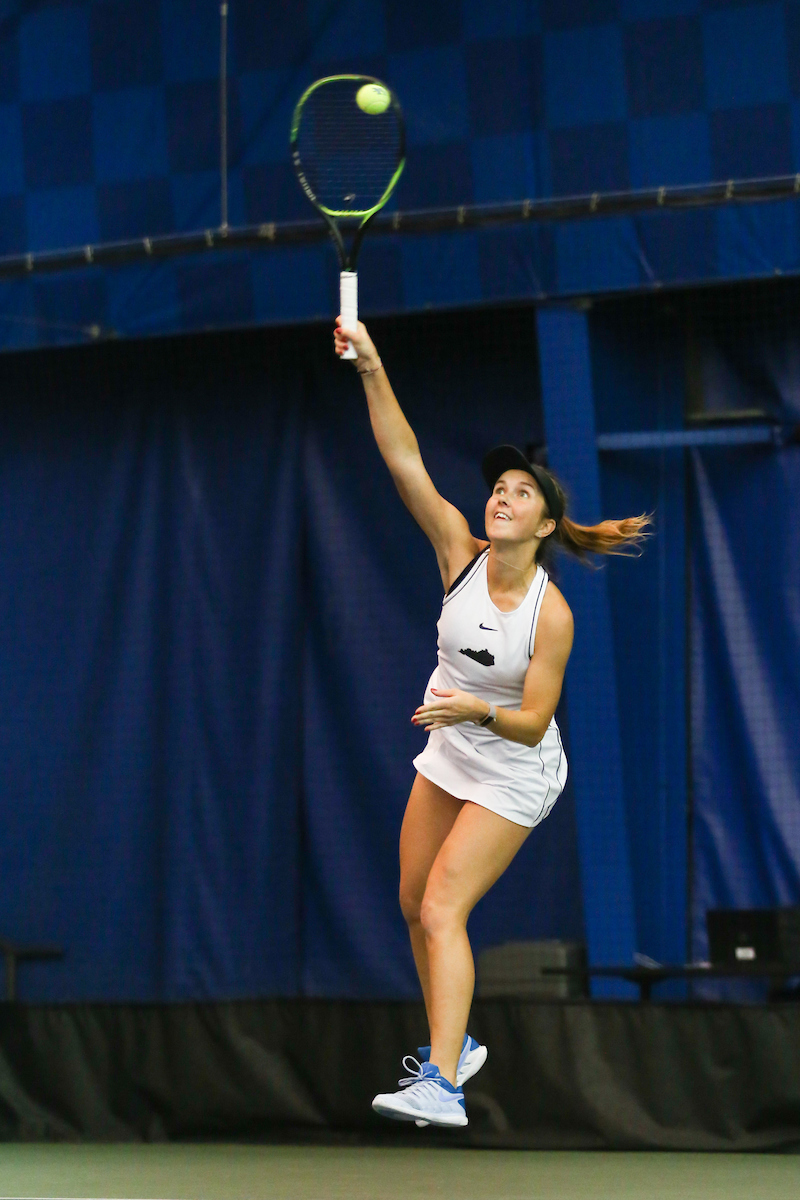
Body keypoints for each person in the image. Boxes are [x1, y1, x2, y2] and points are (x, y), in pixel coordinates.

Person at [333, 317, 649, 1129]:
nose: (502, 495)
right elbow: (403, 457)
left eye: (522, 492)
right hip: (452, 743)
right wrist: (370, 364)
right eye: (499, 488)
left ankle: (442, 1082)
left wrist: (472, 707)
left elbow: (534, 718)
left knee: (444, 906)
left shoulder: (554, 618)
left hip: (516, 766)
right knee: (410, 902)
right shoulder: (457, 553)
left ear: (543, 526)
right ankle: (457, 1040)